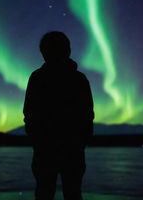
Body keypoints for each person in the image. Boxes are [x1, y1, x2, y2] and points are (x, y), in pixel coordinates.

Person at [23, 31, 94, 200]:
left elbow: (29, 113)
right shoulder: (78, 79)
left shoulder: (38, 78)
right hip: (70, 148)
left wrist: (37, 138)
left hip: (47, 149)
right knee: (72, 192)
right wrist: (81, 140)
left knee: (45, 192)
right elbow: (87, 115)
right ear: (68, 50)